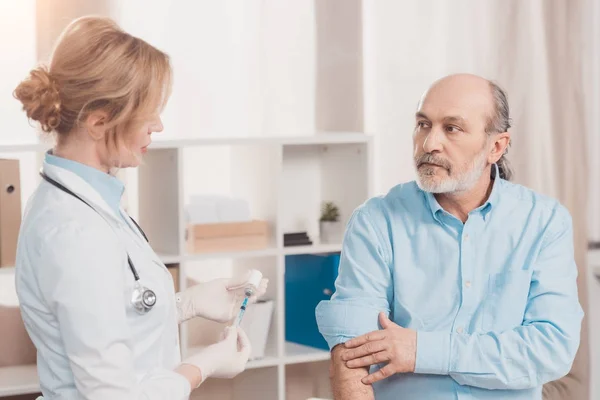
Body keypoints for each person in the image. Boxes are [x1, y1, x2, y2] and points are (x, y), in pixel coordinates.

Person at [13, 16, 267, 399]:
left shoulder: (89, 201)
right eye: (147, 112)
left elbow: (107, 313)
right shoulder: (73, 231)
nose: (158, 125)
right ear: (99, 122)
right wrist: (202, 366)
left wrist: (186, 303)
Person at [315, 74, 583, 399]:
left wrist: (420, 350)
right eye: (423, 125)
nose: (429, 144)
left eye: (451, 128)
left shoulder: (544, 222)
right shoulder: (375, 221)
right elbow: (351, 355)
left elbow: (551, 350)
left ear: (496, 147)